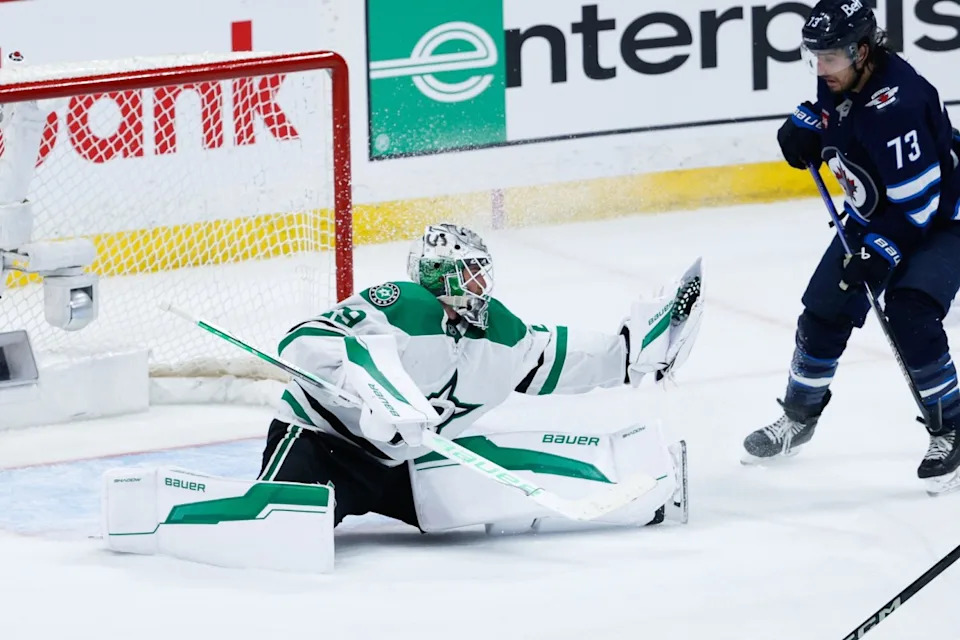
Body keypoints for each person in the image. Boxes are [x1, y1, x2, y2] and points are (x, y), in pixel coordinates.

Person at [258, 222, 703, 532]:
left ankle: (646, 483)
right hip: (321, 444)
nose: (479, 282)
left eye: (480, 271)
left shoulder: (499, 332)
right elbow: (306, 339)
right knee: (279, 525)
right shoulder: (400, 303)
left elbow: (552, 356)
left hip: (405, 463)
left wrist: (628, 354)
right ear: (440, 273)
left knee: (503, 490)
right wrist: (372, 389)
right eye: (469, 272)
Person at [742, 0, 960, 495]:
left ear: (862, 51)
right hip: (881, 212)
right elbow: (831, 113)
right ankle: (799, 418)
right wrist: (807, 125)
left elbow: (920, 206)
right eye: (814, 58)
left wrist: (878, 249)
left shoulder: (898, 107)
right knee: (822, 312)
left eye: (830, 60)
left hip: (943, 218)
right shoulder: (844, 72)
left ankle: (952, 428)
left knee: (910, 310)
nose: (820, 69)